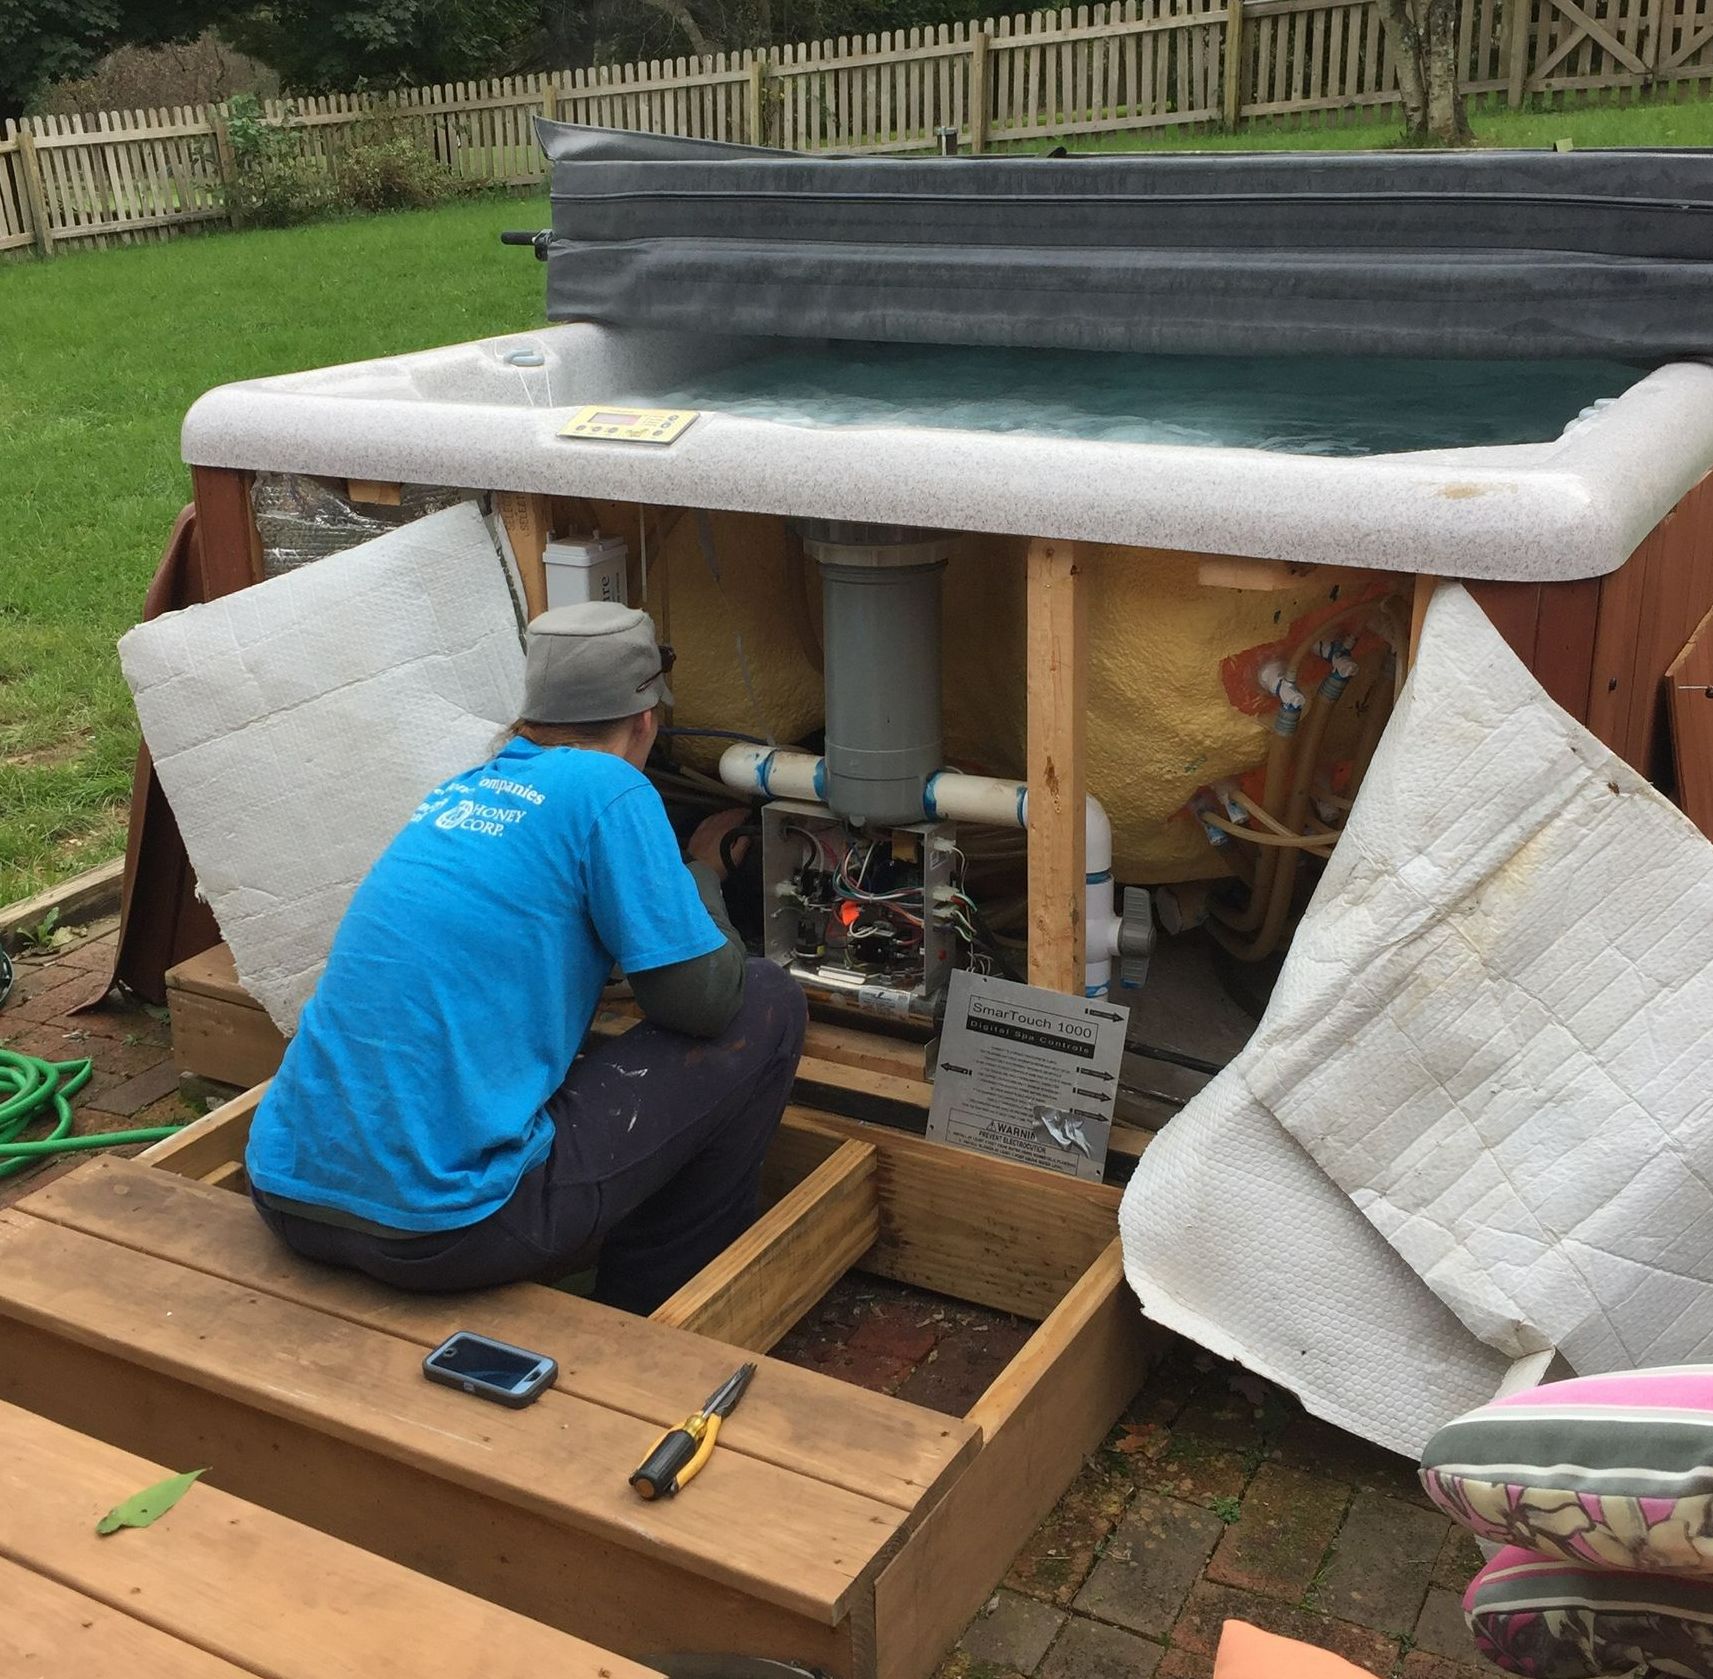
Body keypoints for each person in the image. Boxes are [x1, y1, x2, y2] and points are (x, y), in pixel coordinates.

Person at [244, 602, 807, 1312]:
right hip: (450, 1229)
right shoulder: (609, 784)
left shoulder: (457, 791)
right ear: (645, 721)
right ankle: (655, 1300)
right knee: (766, 1001)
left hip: (287, 1191)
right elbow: (702, 1004)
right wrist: (698, 875)